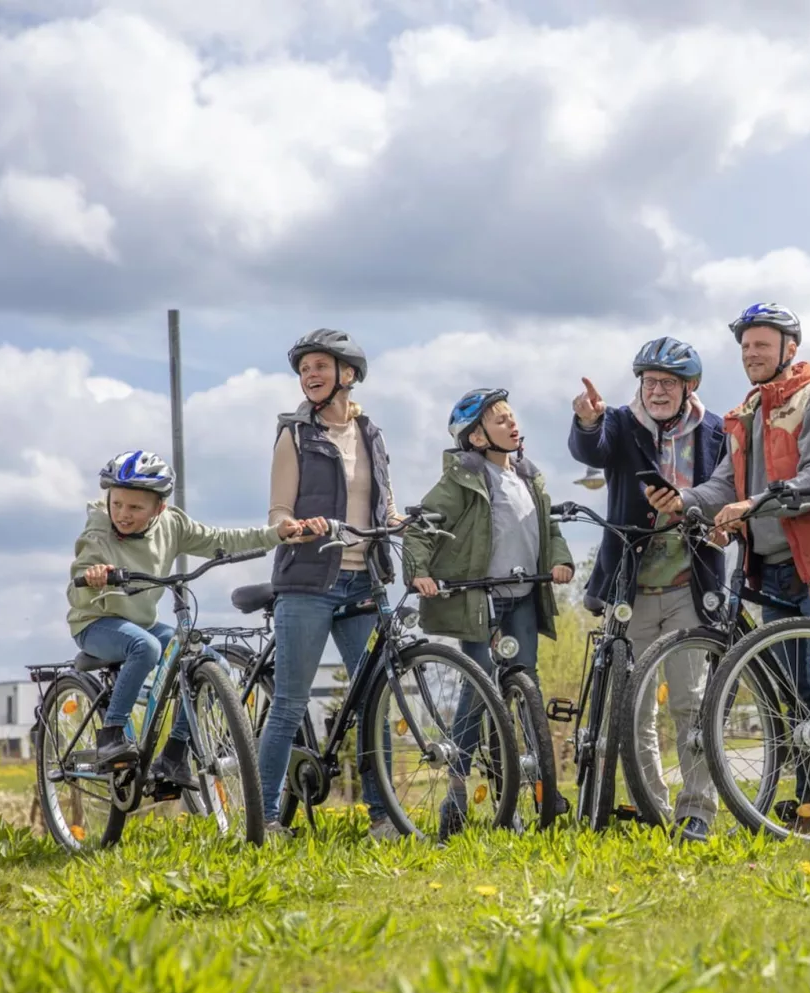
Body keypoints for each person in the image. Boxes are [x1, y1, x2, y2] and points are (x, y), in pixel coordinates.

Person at [644, 303, 810, 836]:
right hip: (773, 571)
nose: (752, 355)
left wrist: (751, 506)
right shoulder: (746, 414)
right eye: (745, 347)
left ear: (789, 348)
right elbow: (722, 486)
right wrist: (683, 502)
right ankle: (809, 803)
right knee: (795, 695)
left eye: (762, 345)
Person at [70, 450, 312, 787]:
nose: (123, 515)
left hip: (141, 622)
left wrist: (275, 534)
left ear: (160, 508)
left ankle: (173, 754)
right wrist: (93, 576)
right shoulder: (98, 534)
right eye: (117, 504)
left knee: (213, 665)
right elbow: (78, 584)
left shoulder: (173, 525)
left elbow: (220, 540)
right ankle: (111, 735)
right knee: (147, 647)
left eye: (135, 507)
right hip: (96, 622)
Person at [569, 337, 727, 840]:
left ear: (689, 387)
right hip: (632, 588)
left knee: (691, 701)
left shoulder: (715, 432)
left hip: (690, 582)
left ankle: (696, 810)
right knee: (633, 708)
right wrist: (589, 420)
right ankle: (652, 806)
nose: (657, 391)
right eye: (650, 382)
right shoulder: (619, 422)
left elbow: (729, 489)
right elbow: (588, 449)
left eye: (668, 383)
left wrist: (711, 518)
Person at [404, 387, 575, 836]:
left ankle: (530, 791)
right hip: (481, 599)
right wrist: (418, 571)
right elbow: (423, 526)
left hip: (522, 595)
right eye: (500, 421)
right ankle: (456, 795)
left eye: (512, 418)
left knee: (525, 689)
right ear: (477, 438)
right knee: (478, 692)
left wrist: (561, 561)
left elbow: (549, 527)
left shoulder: (528, 477)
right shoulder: (463, 479)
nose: (513, 425)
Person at [261, 328, 400, 841]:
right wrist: (292, 526)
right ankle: (266, 818)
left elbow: (383, 502)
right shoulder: (294, 434)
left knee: (375, 701)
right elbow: (278, 508)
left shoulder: (372, 434)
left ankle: (382, 817)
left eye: (320, 366)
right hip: (308, 582)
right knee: (291, 702)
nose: (310, 376)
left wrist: (399, 520)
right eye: (305, 369)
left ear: (348, 374)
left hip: (365, 580)